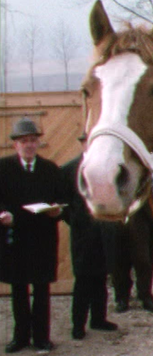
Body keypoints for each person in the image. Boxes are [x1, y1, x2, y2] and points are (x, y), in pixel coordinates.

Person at [0, 118, 64, 353]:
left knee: (42, 290)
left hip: (42, 238)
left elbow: (62, 198)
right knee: (18, 290)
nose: (28, 145)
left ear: (38, 143)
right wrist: (3, 214)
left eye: (32, 141)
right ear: (15, 145)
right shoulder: (3, 168)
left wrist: (57, 211)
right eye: (23, 141)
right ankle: (21, 337)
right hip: (15, 238)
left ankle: (42, 338)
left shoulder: (50, 169)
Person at [61, 133, 118, 340]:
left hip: (104, 232)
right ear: (82, 143)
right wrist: (76, 221)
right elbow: (63, 203)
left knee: (101, 277)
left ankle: (99, 319)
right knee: (83, 279)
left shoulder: (107, 167)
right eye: (89, 141)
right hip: (82, 235)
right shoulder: (69, 170)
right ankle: (78, 325)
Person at [108, 203, 153, 313]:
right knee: (119, 259)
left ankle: (145, 294)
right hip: (119, 213)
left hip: (143, 214)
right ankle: (122, 297)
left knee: (144, 259)